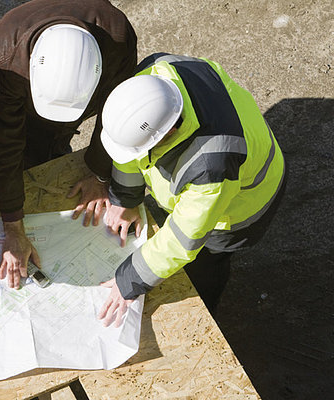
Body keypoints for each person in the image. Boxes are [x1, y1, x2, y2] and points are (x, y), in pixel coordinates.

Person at [96, 54, 286, 326]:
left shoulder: (212, 166)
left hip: (241, 209)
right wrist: (124, 199)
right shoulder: (152, 81)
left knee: (207, 261)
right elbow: (131, 152)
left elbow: (183, 237)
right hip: (237, 154)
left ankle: (207, 310)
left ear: (169, 132)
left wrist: (128, 279)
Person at [0, 0, 138, 288]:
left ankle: (55, 144)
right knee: (28, 145)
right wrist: (13, 223)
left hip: (81, 94)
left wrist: (100, 173)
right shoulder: (4, 57)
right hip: (26, 102)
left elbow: (116, 112)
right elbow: (4, 142)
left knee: (55, 141)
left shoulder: (118, 36)